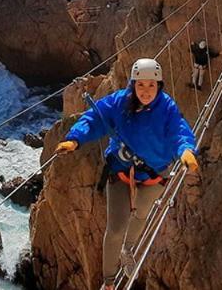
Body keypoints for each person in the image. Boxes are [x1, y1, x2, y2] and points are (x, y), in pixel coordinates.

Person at [55, 58, 199, 290]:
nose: (146, 90)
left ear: (159, 86)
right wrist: (75, 138)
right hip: (121, 170)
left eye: (151, 85)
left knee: (142, 213)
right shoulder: (120, 101)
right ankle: (109, 281)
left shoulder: (167, 108)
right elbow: (95, 118)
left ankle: (128, 250)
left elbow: (179, 131)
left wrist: (186, 151)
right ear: (132, 84)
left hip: (154, 173)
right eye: (140, 85)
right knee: (115, 229)